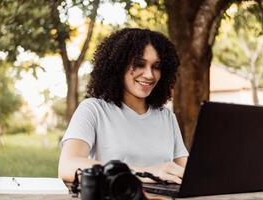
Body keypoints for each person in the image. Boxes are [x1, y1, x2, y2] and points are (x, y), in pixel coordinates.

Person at [58, 28, 189, 185]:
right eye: (139, 64)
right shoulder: (93, 109)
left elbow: (188, 175)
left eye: (156, 66)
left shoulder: (166, 117)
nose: (149, 75)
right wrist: (145, 173)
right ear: (118, 66)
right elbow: (68, 166)